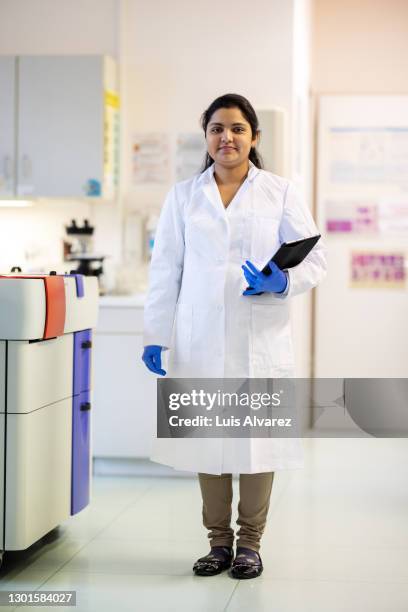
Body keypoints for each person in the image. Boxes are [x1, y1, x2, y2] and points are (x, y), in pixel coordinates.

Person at [142, 93, 327, 579]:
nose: (227, 137)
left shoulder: (280, 192)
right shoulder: (184, 195)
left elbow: (314, 258)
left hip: (258, 337)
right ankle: (217, 543)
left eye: (238, 128)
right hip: (199, 338)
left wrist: (283, 281)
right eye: (218, 128)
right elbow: (166, 269)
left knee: (256, 441)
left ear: (254, 137)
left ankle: (251, 544)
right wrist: (156, 334)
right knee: (210, 440)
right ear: (206, 137)